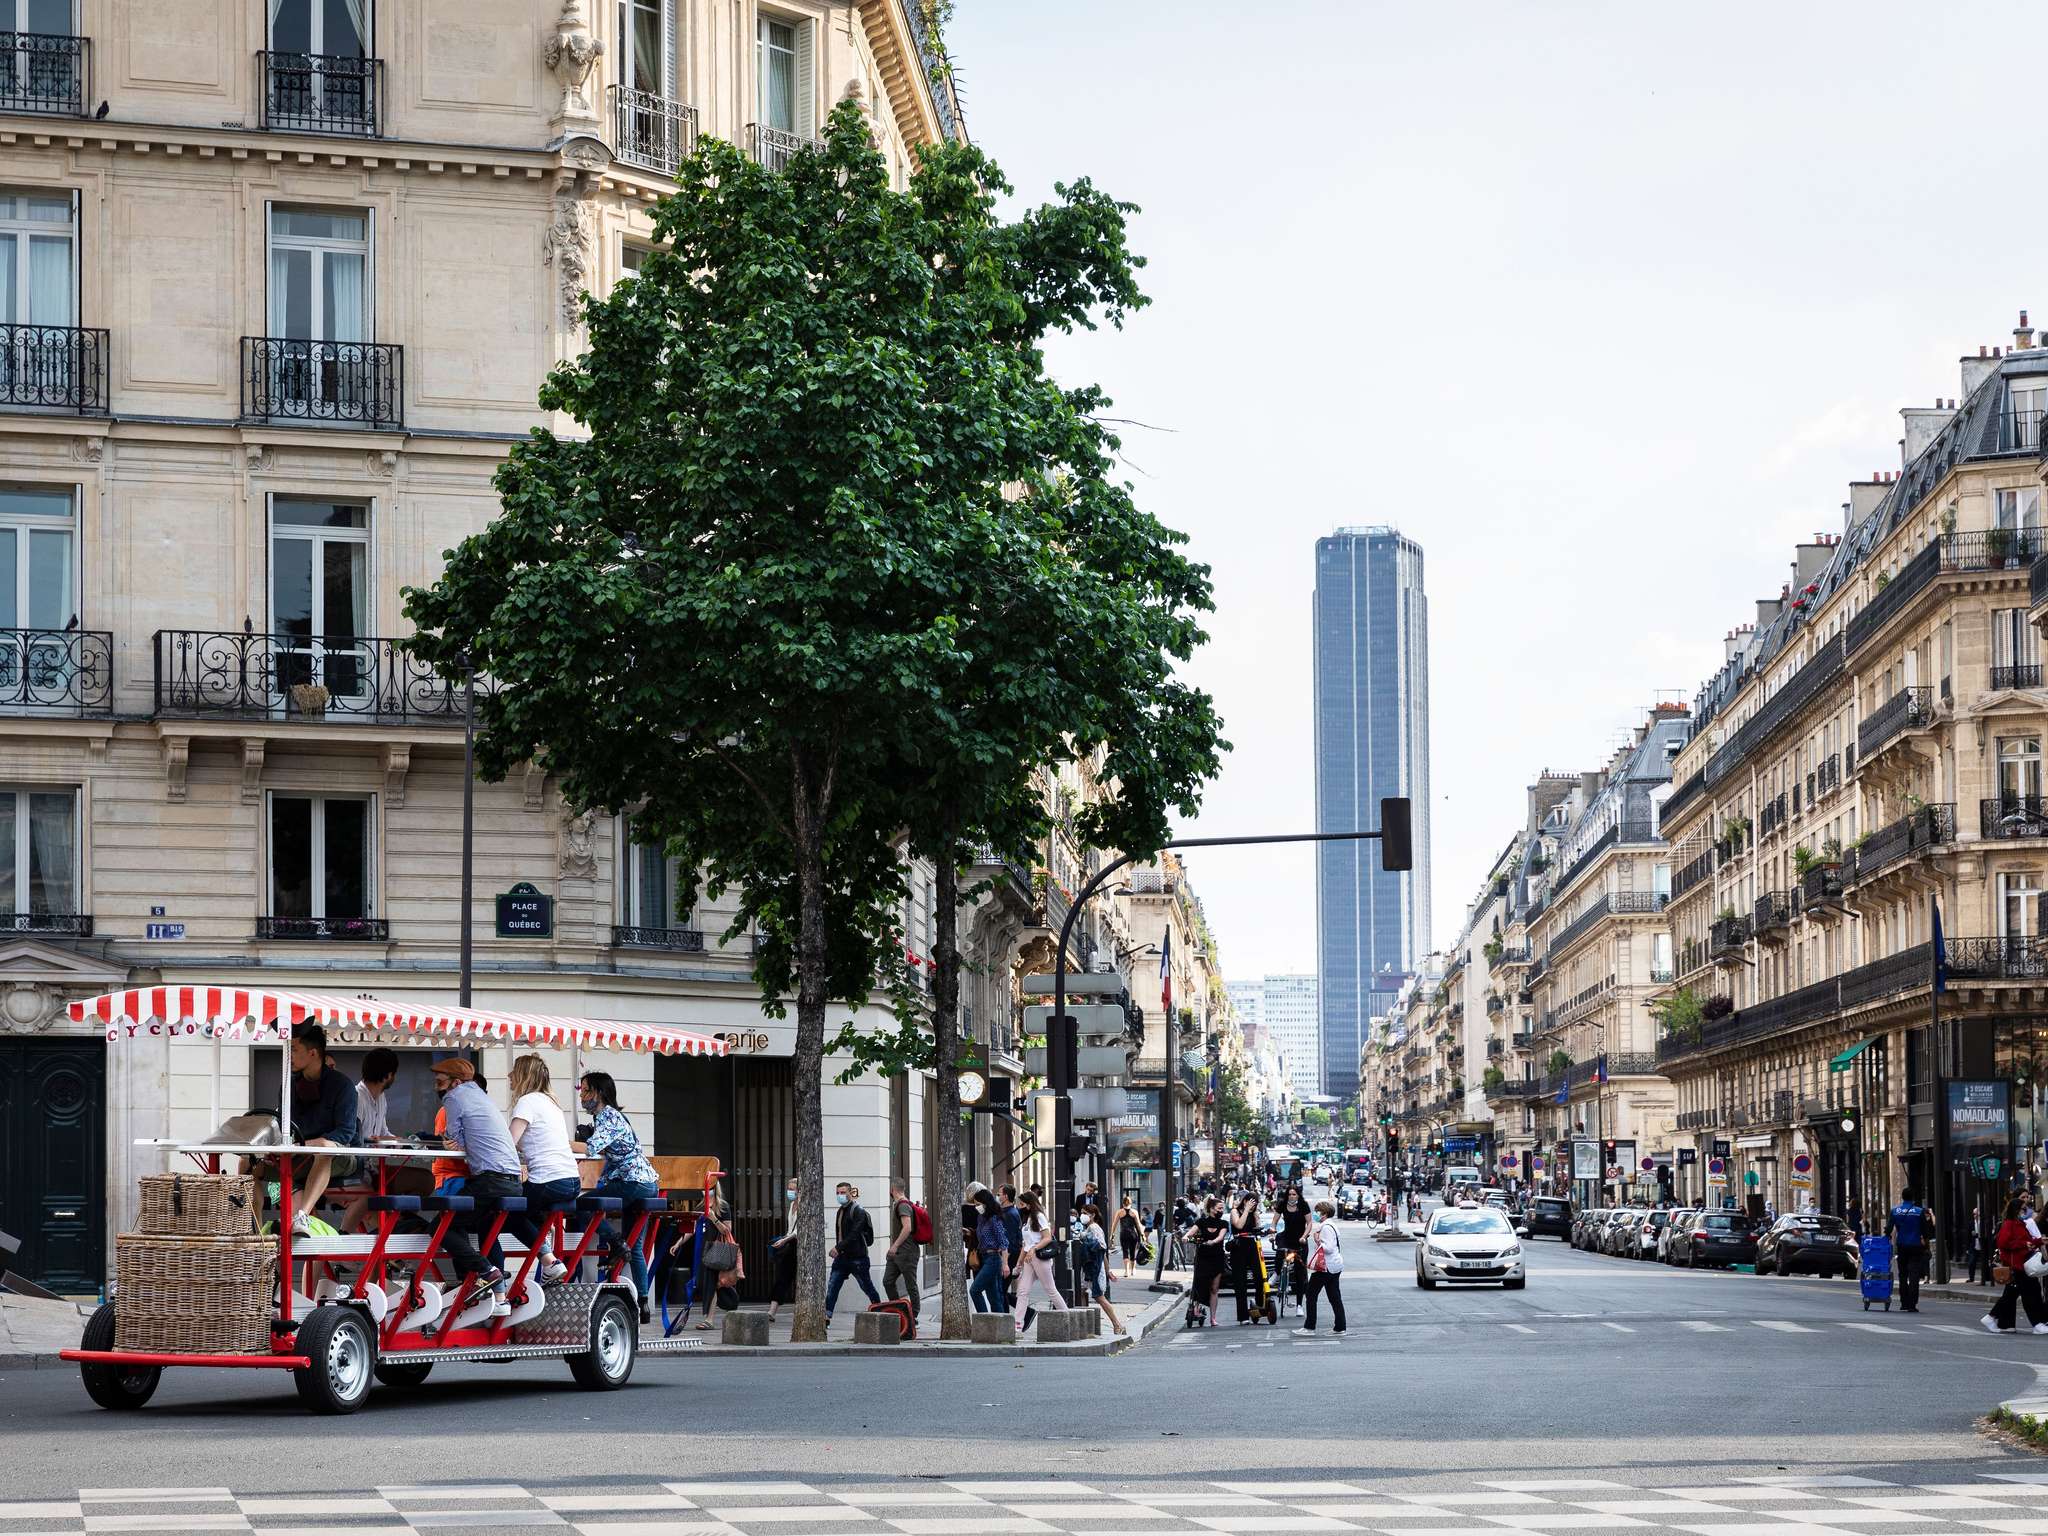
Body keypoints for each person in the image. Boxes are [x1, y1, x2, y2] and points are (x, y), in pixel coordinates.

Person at [429, 1057, 523, 1316]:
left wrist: (450, 1141)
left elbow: (455, 1140)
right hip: (513, 1182)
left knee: (440, 1226)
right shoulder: (481, 1096)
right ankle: (499, 1296)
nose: (436, 1087)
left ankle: (486, 1271)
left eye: (440, 1082)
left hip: (491, 1180)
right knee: (483, 1225)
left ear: (455, 1082)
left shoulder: (454, 1097)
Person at [572, 1071, 661, 1320]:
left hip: (633, 1183)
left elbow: (590, 1149)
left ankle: (614, 1242)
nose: (582, 1097)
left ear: (599, 1093)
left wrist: (559, 1143)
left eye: (586, 1091)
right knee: (636, 1248)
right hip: (646, 1183)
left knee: (583, 1203)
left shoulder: (608, 1115)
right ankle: (643, 1303)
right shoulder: (611, 1117)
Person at [256, 1024, 359, 1235]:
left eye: (293, 1050)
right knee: (248, 1162)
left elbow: (346, 1133)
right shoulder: (288, 1085)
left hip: (339, 1156)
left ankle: (302, 1216)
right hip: (298, 1155)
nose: (288, 1056)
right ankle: (254, 1228)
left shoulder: (343, 1085)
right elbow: (281, 1125)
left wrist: (305, 1145)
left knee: (324, 1150)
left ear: (312, 1053)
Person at [504, 1054, 578, 1286]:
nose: (509, 1076)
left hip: (548, 1180)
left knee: (507, 1213)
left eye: (514, 1070)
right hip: (571, 1180)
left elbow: (508, 1143)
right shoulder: (551, 1103)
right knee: (524, 1207)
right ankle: (546, 1238)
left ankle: (549, 1261)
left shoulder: (527, 1102)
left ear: (523, 1075)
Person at [1983, 1194, 2048, 1334]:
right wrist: (2024, 1244)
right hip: (2017, 1265)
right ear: (2016, 1209)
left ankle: (1991, 1317)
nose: (2024, 1211)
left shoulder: (2019, 1224)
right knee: (2030, 1294)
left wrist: (2039, 1241)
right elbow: (2003, 1243)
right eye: (2022, 1209)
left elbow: (2028, 1241)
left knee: (2012, 1295)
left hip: (2023, 1263)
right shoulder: (2009, 1224)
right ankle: (2037, 1324)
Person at [1011, 1190, 1068, 1332]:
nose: (1020, 1206)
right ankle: (1018, 1325)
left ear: (1029, 1204)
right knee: (1022, 1291)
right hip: (1028, 1259)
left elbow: (1047, 1237)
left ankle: (1067, 1316)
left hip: (1039, 1257)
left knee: (1050, 1289)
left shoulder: (1039, 1216)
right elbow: (1025, 1245)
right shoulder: (1027, 1219)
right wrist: (1018, 1264)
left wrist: (1034, 1249)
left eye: (1022, 1203)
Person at [824, 1181, 881, 1321]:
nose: (840, 1195)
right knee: (832, 1287)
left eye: (843, 1192)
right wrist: (839, 1249)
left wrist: (838, 1247)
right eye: (838, 1193)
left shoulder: (858, 1211)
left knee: (867, 1286)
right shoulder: (840, 1210)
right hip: (842, 1258)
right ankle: (826, 1317)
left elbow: (854, 1234)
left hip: (858, 1258)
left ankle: (880, 1311)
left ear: (851, 1193)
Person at [1292, 1197, 1347, 1335]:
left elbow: (1328, 1248)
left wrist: (1318, 1240)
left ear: (1324, 1214)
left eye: (1317, 1212)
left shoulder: (1326, 1228)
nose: (1316, 1214)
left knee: (1311, 1294)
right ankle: (1340, 1327)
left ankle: (1309, 1327)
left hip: (1325, 1267)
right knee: (1334, 1297)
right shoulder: (1331, 1225)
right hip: (1334, 1266)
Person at [882, 1179, 922, 1322]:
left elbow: (907, 1227)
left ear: (893, 1189)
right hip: (896, 1254)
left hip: (907, 1252)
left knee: (911, 1284)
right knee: (887, 1281)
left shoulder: (903, 1205)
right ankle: (900, 1310)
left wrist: (895, 1245)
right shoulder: (900, 1204)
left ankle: (914, 1316)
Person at [1887, 1187, 1931, 1313]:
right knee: (1914, 1275)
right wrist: (1926, 1245)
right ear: (1912, 1198)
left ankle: (1904, 1302)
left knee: (1902, 1275)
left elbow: (1889, 1228)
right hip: (1915, 1246)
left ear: (1902, 1197)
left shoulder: (1895, 1211)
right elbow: (1925, 1231)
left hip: (1902, 1245)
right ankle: (1912, 1303)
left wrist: (1886, 1237)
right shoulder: (1919, 1211)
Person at [1190, 1194, 1230, 1325]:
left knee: (1214, 1288)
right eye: (1219, 1208)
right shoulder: (1201, 1222)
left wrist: (1213, 1241)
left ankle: (1213, 1318)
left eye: (1222, 1208)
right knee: (1199, 1282)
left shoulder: (1223, 1223)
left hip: (1217, 1257)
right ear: (1211, 1209)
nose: (1221, 1211)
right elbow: (1191, 1232)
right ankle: (1195, 1308)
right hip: (1203, 1257)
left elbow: (1221, 1236)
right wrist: (1186, 1237)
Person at [968, 1188, 1010, 1313]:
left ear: (985, 1202)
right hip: (984, 1257)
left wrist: (1005, 1264)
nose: (976, 1207)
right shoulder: (981, 1218)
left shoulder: (994, 1218)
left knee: (975, 1290)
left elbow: (1003, 1242)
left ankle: (984, 1319)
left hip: (993, 1258)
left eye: (978, 1204)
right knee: (994, 1297)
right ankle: (996, 1324)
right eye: (975, 1204)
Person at [767, 1176, 799, 1319]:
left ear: (800, 1191)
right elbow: (790, 1227)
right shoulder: (792, 1205)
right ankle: (771, 1311)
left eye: (792, 1189)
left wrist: (785, 1240)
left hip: (798, 1244)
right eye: (788, 1189)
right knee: (782, 1277)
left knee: (791, 1278)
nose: (789, 1192)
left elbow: (799, 1230)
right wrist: (784, 1240)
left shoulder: (805, 1206)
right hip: (789, 1244)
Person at [1228, 1190, 1262, 1323]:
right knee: (1240, 1283)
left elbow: (1258, 1229)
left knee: (1259, 1278)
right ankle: (1243, 1316)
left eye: (1255, 1204)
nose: (1252, 1206)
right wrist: (1246, 1210)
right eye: (1250, 1203)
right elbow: (1239, 1225)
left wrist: (1257, 1216)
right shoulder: (1235, 1212)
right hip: (1238, 1247)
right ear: (1245, 1201)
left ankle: (1258, 1309)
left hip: (1252, 1245)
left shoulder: (1254, 1214)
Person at [1115, 1195, 1144, 1279]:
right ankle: (1133, 1269)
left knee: (1125, 1252)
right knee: (1132, 1252)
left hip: (1123, 1234)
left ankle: (1126, 1271)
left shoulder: (1119, 1212)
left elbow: (1114, 1224)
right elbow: (1138, 1225)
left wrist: (1112, 1235)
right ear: (1131, 1203)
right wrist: (1142, 1235)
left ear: (1122, 1203)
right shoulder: (1134, 1212)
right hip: (1133, 1234)